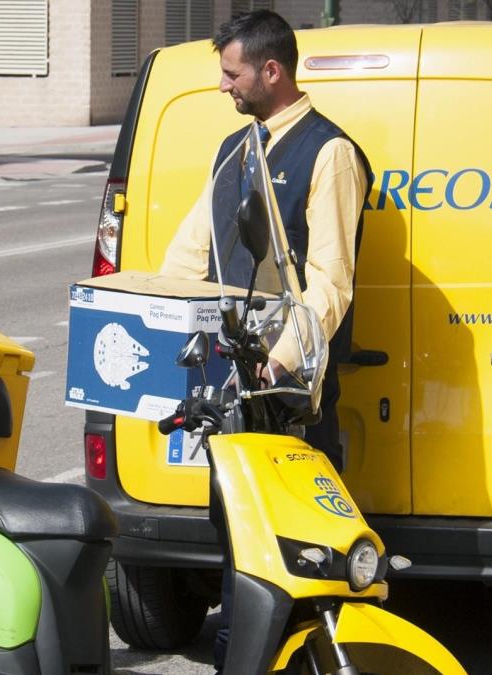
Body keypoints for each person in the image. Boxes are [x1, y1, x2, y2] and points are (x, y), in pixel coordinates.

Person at [157, 10, 371, 672]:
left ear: (270, 72)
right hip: (232, 388)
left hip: (287, 397)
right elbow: (192, 251)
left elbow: (330, 283)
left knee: (292, 547)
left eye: (232, 73)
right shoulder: (235, 150)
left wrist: (275, 363)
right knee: (236, 539)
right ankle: (237, 654)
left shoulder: (329, 152)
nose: (223, 86)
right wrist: (152, 310)